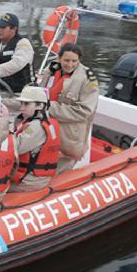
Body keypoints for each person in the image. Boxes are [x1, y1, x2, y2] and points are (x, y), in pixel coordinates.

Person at [36, 42, 99, 174]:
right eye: (66, 60)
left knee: (59, 172)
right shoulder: (52, 68)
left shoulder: (88, 78)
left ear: (79, 60)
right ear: (59, 58)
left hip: (69, 136)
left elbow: (85, 111)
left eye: (74, 61)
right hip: (47, 128)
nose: (70, 64)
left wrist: (47, 107)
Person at [9, 86, 61, 193]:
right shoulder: (45, 122)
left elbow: (12, 149)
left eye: (26, 104)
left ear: (40, 105)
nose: (21, 108)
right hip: (33, 176)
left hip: (29, 180)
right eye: (22, 103)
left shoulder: (36, 127)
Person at [0, 12, 34, 94]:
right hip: (1, 90)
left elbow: (16, 64)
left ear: (14, 29)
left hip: (22, 93)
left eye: (3, 27)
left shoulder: (23, 44)